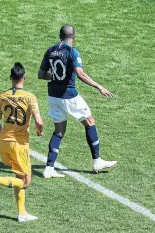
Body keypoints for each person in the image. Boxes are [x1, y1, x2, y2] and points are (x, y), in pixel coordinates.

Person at [38, 24, 117, 178]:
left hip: (53, 96)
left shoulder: (50, 50)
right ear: (73, 37)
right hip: (69, 96)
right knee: (90, 122)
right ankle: (97, 160)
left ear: (60, 35)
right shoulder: (72, 52)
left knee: (59, 131)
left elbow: (41, 74)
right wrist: (99, 86)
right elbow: (80, 74)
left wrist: (53, 77)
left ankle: (49, 168)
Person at [0, 62, 45, 222]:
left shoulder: (1, 96)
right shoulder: (30, 97)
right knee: (26, 182)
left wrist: (5, 136)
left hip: (3, 142)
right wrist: (39, 129)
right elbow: (39, 121)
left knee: (18, 176)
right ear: (24, 78)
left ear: (11, 78)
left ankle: (22, 213)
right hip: (19, 144)